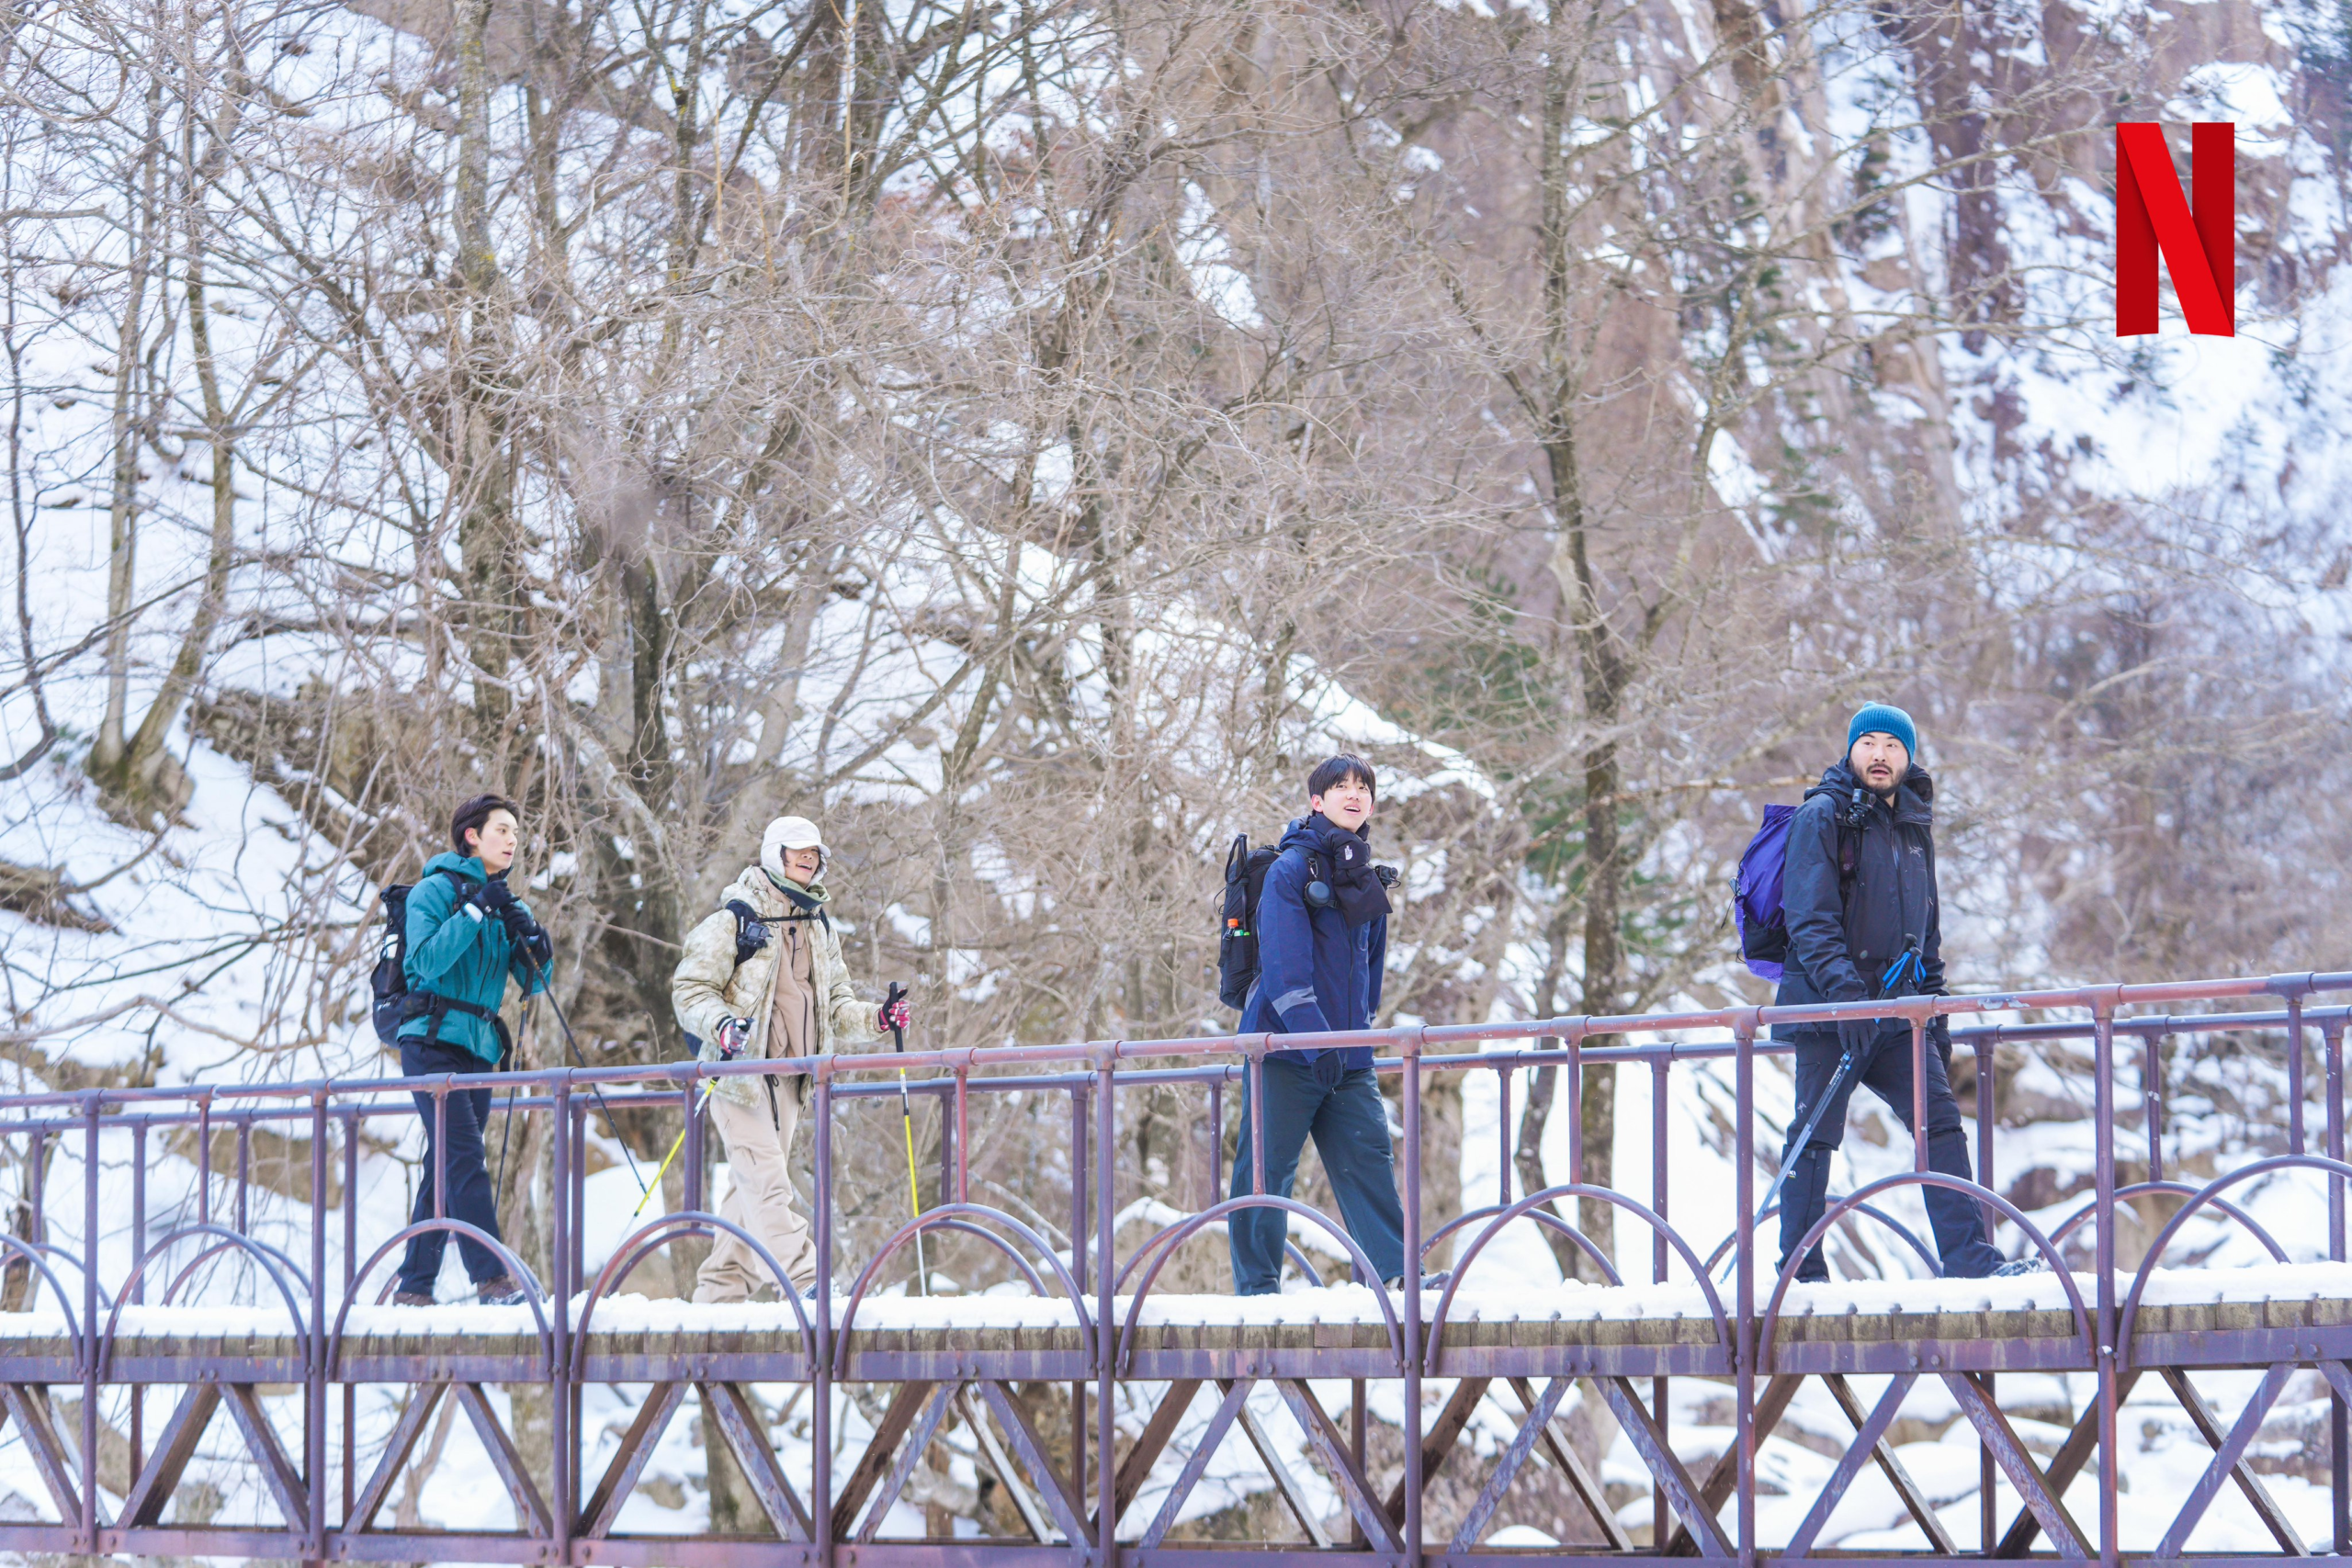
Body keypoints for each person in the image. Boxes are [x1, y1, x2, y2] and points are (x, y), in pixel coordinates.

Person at [1774, 704, 2026, 1281]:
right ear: (1851, 751)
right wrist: (1847, 1001)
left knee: (1940, 1124)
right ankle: (1801, 1272)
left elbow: (1926, 932)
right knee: (1815, 1136)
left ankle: (1970, 1261)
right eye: (1869, 743)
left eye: (1893, 745)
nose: (1880, 755)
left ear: (1908, 756)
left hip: (1898, 1012)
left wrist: (1935, 1018)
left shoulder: (1914, 827)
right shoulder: (1821, 815)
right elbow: (1809, 919)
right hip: (1829, 1010)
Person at [1228, 756, 1441, 1295]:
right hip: (1283, 1049)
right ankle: (1257, 1291)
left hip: (1347, 1052)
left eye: (1363, 787)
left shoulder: (1362, 874)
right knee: (1266, 1171)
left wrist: (1357, 1032)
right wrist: (1316, 1040)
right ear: (1317, 801)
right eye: (1341, 786)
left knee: (1368, 1160)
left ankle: (1399, 1278)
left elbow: (1371, 970)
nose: (1354, 794)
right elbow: (1284, 969)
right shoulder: (1290, 870)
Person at [672, 815, 907, 1302]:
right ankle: (806, 1281)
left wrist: (879, 1019)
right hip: (738, 1075)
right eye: (798, 850)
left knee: (750, 1190)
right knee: (767, 1183)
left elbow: (836, 1006)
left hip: (792, 1082)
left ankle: (719, 1295)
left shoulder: (818, 925)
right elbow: (690, 989)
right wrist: (722, 1025)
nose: (808, 858)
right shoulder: (734, 919)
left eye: (814, 852)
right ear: (774, 854)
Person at [392, 794, 552, 1306]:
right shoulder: (432, 891)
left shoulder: (507, 902)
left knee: (445, 1162)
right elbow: (427, 961)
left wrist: (536, 944)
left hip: (480, 1048)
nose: (513, 840)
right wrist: (475, 910)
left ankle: (414, 1287)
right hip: (431, 1040)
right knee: (463, 1156)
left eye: (516, 833)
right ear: (472, 836)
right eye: (502, 830)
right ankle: (492, 1279)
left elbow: (534, 983)